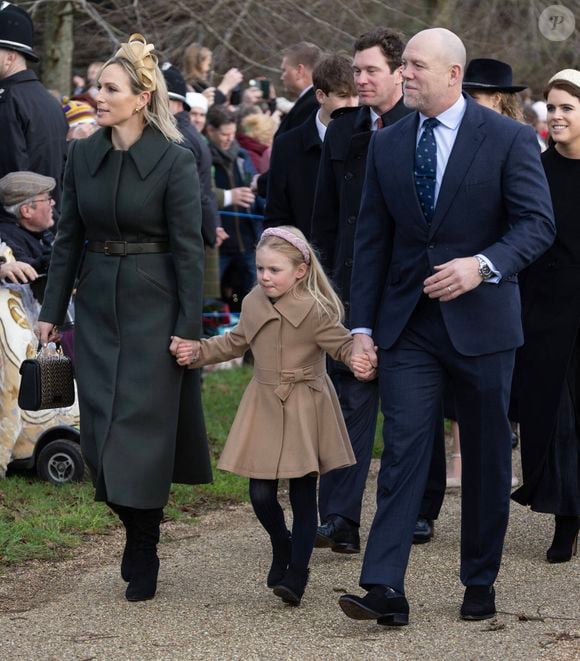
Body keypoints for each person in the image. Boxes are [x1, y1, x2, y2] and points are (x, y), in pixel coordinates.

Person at [339, 28, 554, 626]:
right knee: (404, 450)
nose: (403, 74)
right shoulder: (388, 143)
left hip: (484, 326)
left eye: (414, 65)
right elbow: (371, 244)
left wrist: (481, 266)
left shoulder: (509, 139)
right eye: (402, 64)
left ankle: (479, 578)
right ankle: (384, 587)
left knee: (486, 458)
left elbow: (537, 225)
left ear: (453, 74)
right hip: (408, 327)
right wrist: (361, 328)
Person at [36, 33, 212, 603]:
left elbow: (189, 250)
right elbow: (67, 240)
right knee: (100, 436)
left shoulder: (176, 157)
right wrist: (51, 311)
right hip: (95, 306)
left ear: (141, 97)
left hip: (155, 308)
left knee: (142, 432)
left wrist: (190, 327)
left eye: (110, 88)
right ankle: (134, 523)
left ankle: (144, 539)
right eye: (97, 86)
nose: (98, 96)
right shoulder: (82, 154)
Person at [176, 226, 374, 606]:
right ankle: (280, 541)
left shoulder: (316, 309)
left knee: (303, 494)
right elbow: (235, 341)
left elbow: (341, 344)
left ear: (300, 270)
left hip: (305, 403)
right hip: (264, 400)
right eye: (261, 268)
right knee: (260, 492)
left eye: (274, 270)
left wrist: (358, 358)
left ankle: (297, 573)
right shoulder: (253, 302)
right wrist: (197, 351)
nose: (265, 276)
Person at [311, 28, 444, 552]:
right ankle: (340, 516)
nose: (359, 80)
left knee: (415, 404)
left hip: (412, 289)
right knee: (349, 399)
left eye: (370, 71)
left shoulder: (425, 129)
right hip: (351, 287)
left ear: (398, 73)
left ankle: (419, 507)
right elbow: (325, 219)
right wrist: (323, 286)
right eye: (356, 71)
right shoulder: (343, 132)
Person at [445, 57, 527, 488]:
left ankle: (501, 458)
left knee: (502, 382)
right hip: (465, 277)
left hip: (512, 273)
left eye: (475, 96)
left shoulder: (517, 141)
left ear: (497, 99)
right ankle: (459, 457)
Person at [512, 68, 580, 564]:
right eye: (551, 107)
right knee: (553, 420)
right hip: (546, 312)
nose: (555, 116)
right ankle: (565, 516)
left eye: (566, 108)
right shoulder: (537, 169)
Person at [265, 53, 358, 239]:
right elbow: (277, 216)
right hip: (306, 258)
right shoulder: (287, 146)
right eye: (343, 96)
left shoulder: (371, 140)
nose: (353, 104)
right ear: (321, 96)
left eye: (356, 95)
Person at [0, 3, 68, 218]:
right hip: (46, 221)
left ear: (10, 57)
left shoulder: (8, 100)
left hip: (14, 225)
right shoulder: (48, 100)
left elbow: (10, 181)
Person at [205, 105, 260, 302]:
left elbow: (255, 185)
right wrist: (229, 197)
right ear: (210, 130)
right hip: (218, 246)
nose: (229, 138)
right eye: (224, 134)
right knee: (209, 301)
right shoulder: (203, 157)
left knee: (254, 301)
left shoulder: (241, 156)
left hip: (247, 242)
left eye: (233, 133)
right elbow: (202, 195)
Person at [0, 171, 55, 274]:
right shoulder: (8, 239)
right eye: (47, 199)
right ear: (26, 211)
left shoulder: (37, 232)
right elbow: (30, 271)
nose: (53, 203)